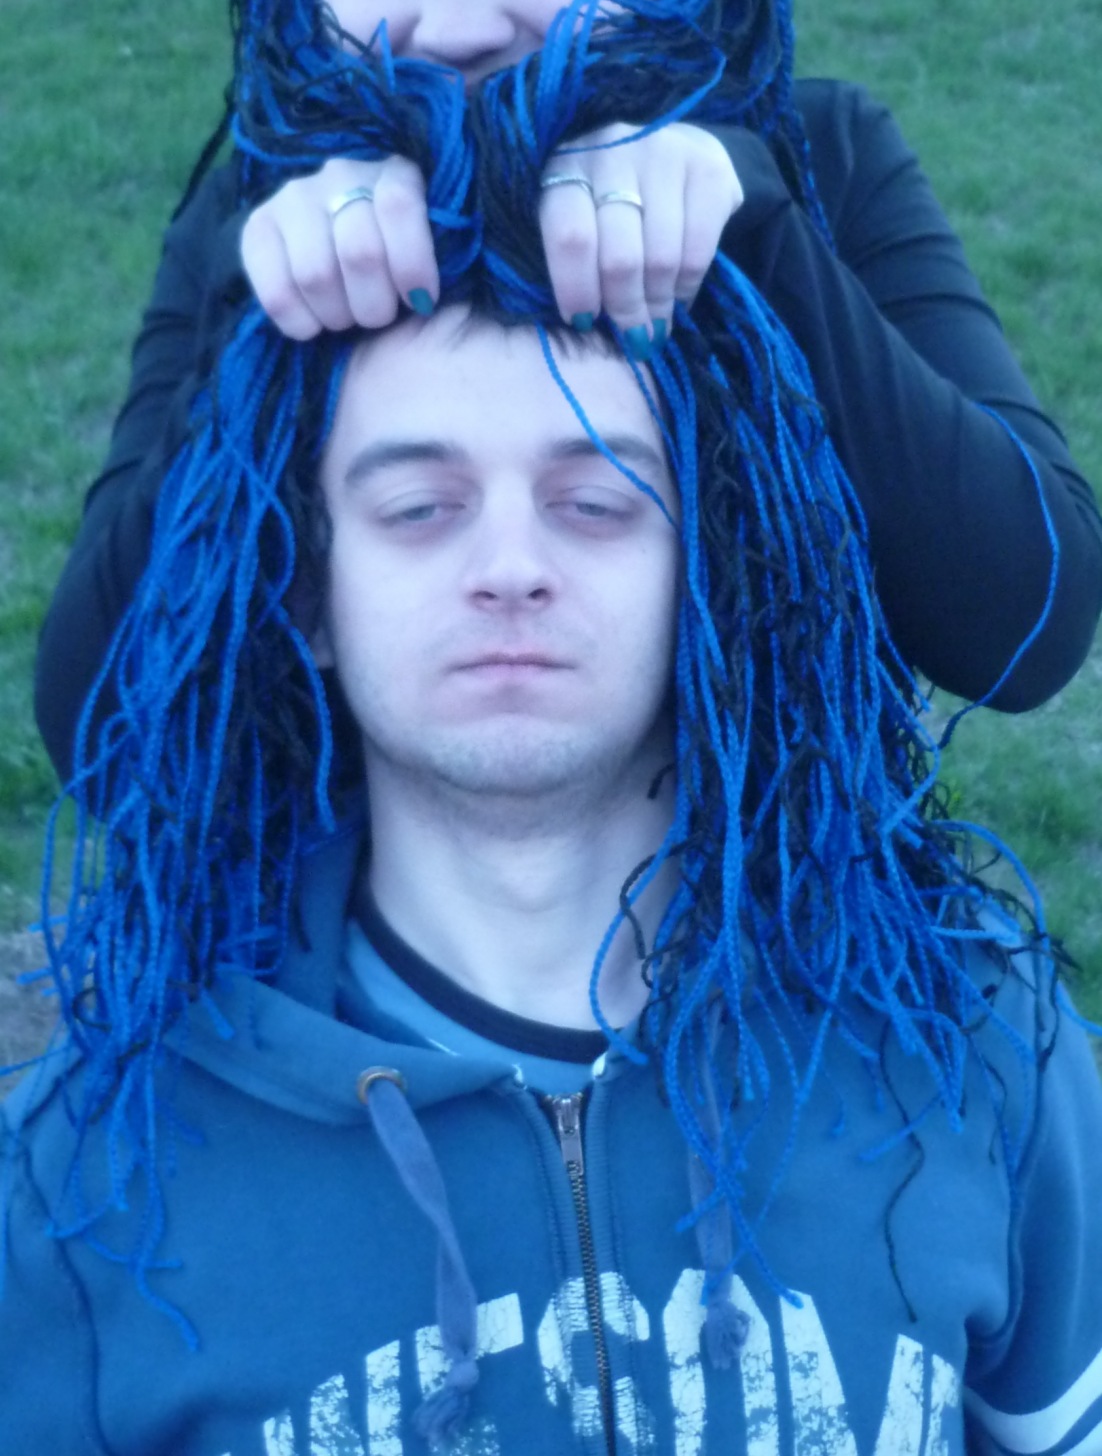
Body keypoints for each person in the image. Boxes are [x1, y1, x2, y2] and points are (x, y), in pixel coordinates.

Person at [4, 110, 1102, 1451]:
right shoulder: (81, 1179)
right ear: (306, 597)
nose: (510, 567)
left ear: (701, 578)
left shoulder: (972, 1034)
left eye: (595, 501)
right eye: (419, 507)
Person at [33, 0, 1102, 795]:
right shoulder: (260, 199)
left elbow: (1026, 627)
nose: (455, 25)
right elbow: (96, 734)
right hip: (366, 907)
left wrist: (752, 223)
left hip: (777, 898)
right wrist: (254, 311)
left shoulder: (814, 156)